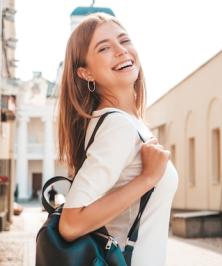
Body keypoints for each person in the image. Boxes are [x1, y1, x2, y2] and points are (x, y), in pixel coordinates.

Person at [57, 13, 179, 266]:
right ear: (86, 72)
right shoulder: (117, 126)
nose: (121, 50)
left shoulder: (128, 123)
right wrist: (148, 178)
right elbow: (71, 224)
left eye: (124, 40)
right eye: (104, 48)